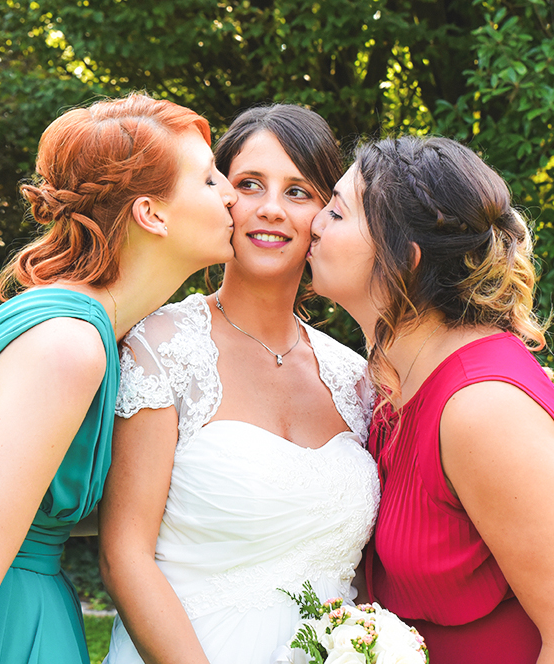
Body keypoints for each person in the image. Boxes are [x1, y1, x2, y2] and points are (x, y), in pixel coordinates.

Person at [0, 93, 238, 664]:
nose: (231, 194)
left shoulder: (86, 330)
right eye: (210, 181)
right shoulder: (67, 347)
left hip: (14, 606)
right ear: (152, 214)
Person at [308, 136, 554, 664]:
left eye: (337, 212)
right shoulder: (391, 379)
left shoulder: (482, 409)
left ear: (405, 260)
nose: (314, 223)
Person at [99, 105, 379, 664]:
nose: (270, 209)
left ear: (325, 216)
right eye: (249, 185)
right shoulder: (160, 347)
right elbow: (123, 557)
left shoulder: (357, 379)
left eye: (299, 192)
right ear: (221, 196)